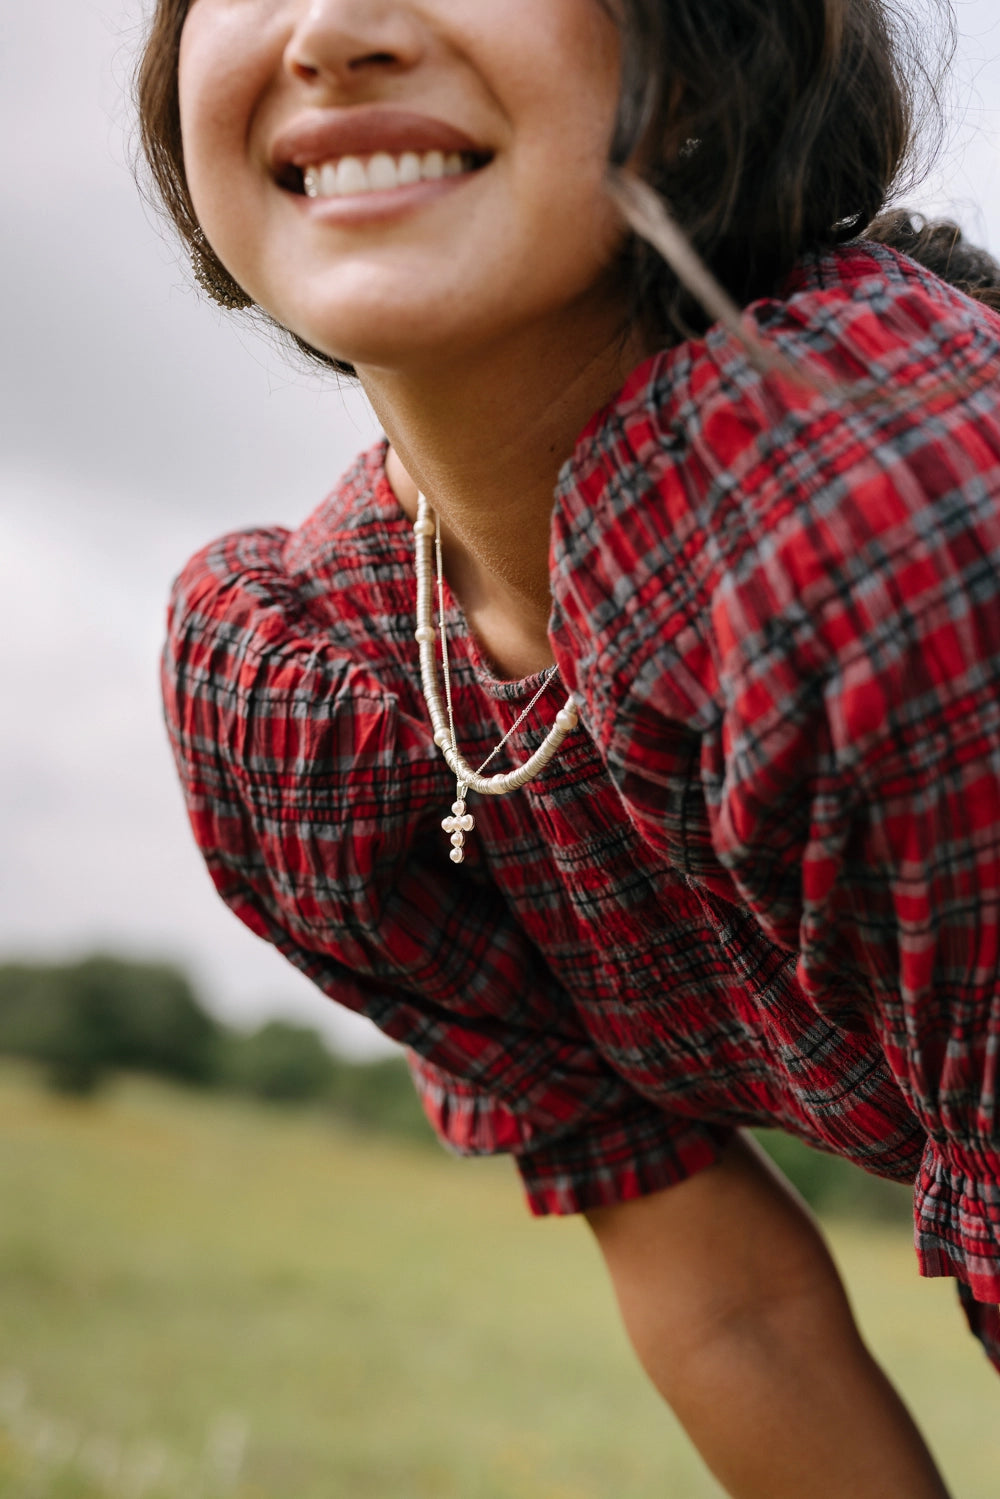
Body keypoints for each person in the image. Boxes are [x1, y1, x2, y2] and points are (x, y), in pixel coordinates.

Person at [137, 2, 1000, 1494]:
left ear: (712, 51)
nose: (333, 33)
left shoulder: (890, 507)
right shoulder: (329, 678)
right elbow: (727, 1298)